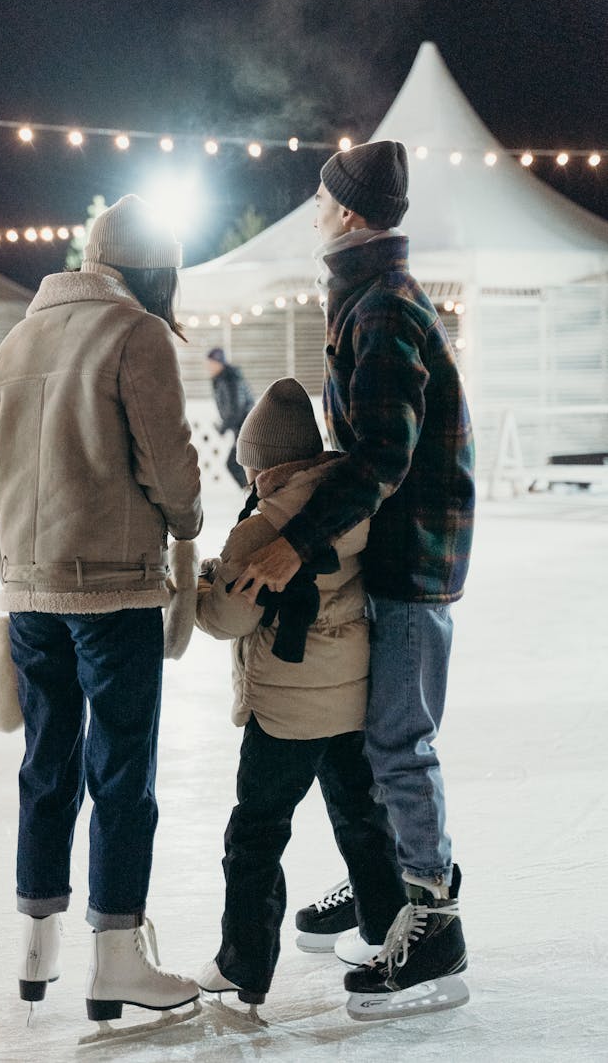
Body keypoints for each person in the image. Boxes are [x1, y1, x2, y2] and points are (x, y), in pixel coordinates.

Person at [230, 141, 476, 1018]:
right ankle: (393, 885)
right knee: (375, 734)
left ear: (345, 211)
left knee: (399, 742)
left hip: (413, 562)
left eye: (322, 199)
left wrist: (293, 543)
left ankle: (432, 918)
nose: (314, 212)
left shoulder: (380, 310)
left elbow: (380, 457)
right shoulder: (373, 298)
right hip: (400, 555)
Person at [0, 194, 203, 1025]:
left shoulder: (18, 338)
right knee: (121, 773)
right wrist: (185, 529)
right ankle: (115, 958)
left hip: (31, 590)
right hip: (113, 590)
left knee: (48, 764)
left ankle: (37, 945)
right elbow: (169, 462)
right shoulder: (134, 333)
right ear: (152, 266)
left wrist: (15, 572)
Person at [194, 378, 406, 1008]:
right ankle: (386, 934)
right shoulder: (349, 502)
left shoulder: (262, 529)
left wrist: (204, 581)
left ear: (266, 463)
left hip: (285, 706)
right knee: (363, 819)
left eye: (252, 465)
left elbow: (227, 618)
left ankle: (245, 964)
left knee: (256, 832)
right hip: (351, 692)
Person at [206, 347, 254, 488]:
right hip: (242, 427)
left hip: (246, 427)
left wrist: (223, 427)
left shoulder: (230, 379)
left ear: (218, 363)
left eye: (210, 363)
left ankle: (255, 496)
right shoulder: (223, 379)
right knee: (239, 464)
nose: (208, 367)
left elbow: (236, 409)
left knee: (234, 464)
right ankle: (254, 495)